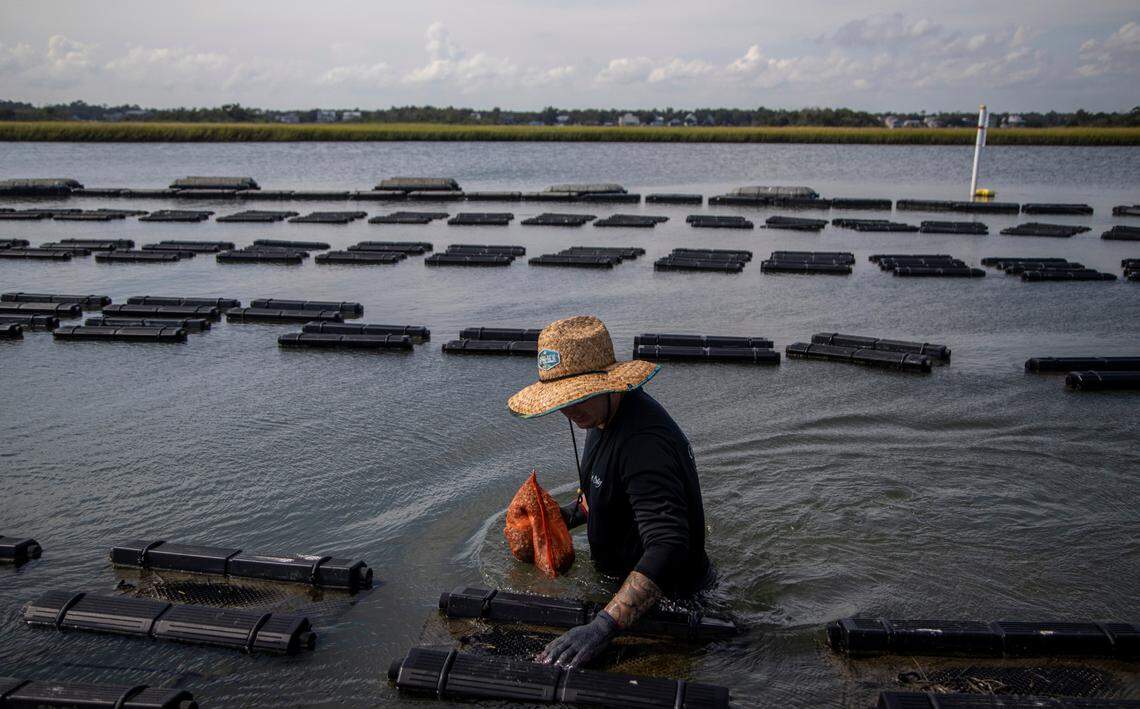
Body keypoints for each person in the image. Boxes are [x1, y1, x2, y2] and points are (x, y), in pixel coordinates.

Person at [507, 315, 714, 668]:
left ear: (607, 382)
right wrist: (549, 522)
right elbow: (601, 497)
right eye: (561, 400)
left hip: (672, 605)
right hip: (622, 591)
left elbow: (668, 545)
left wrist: (602, 627)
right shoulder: (598, 414)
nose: (569, 409)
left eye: (578, 396)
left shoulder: (642, 442)